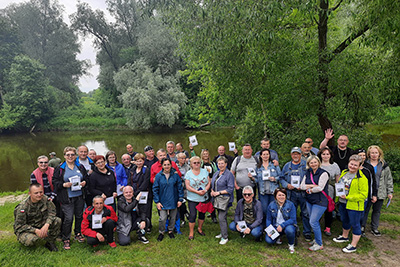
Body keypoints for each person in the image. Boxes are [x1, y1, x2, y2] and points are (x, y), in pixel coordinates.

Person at [52, 147, 88, 250]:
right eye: (68, 155)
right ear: (64, 156)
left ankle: (77, 233)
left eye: (72, 154)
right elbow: (54, 182)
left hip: (79, 196)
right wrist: (63, 184)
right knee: (68, 218)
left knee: (79, 216)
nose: (70, 156)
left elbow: (85, 178)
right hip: (67, 198)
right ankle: (66, 238)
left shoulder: (80, 166)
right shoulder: (60, 168)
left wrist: (84, 182)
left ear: (75, 156)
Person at [333, 155, 368, 253]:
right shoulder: (344, 172)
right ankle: (345, 236)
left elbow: (363, 195)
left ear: (360, 166)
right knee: (345, 220)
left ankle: (353, 245)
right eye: (351, 164)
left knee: (355, 223)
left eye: (355, 165)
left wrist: (348, 197)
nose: (352, 166)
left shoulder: (362, 178)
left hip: (354, 205)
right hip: (342, 202)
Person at [14, 184, 61, 251]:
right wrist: (35, 231)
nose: (39, 195)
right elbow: (19, 226)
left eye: (41, 192)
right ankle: (26, 238)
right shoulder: (23, 207)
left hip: (41, 223)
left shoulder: (45, 199)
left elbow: (52, 212)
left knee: (57, 221)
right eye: (36, 193)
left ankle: (50, 242)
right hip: (27, 228)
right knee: (31, 240)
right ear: (30, 193)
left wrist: (46, 224)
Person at [280, 147, 312, 241]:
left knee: (305, 213)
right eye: (293, 153)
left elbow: (310, 177)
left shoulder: (306, 165)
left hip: (303, 193)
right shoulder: (286, 166)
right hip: (291, 193)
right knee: (289, 213)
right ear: (291, 155)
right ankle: (292, 231)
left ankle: (307, 232)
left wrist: (304, 185)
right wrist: (286, 185)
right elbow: (281, 178)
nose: (295, 155)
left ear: (300, 154)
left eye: (297, 154)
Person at [300, 155, 329, 251]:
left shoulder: (324, 173)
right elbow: (302, 186)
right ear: (308, 164)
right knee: (312, 220)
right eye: (311, 162)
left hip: (320, 201)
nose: (313, 164)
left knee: (313, 221)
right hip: (310, 200)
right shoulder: (308, 173)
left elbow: (320, 188)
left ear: (318, 162)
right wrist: (312, 186)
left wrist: (310, 190)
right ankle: (316, 240)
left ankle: (319, 243)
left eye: (315, 162)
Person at [363, 145, 394, 237]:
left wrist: (390, 192)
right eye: (372, 153)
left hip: (380, 191)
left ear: (379, 153)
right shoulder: (365, 164)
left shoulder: (384, 165)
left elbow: (389, 179)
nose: (374, 155)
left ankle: (374, 228)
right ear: (369, 154)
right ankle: (362, 227)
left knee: (376, 211)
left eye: (376, 153)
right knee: (365, 210)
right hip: (368, 192)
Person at [153, 158, 184, 241]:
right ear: (162, 165)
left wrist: (180, 199)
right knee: (162, 218)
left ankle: (170, 231)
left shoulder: (175, 175)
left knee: (173, 217)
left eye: (168, 164)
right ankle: (161, 232)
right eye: (165, 164)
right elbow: (155, 189)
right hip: (162, 200)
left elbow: (180, 188)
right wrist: (157, 201)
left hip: (174, 199)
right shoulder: (159, 176)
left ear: (171, 165)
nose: (167, 166)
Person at [184, 156, 210, 240]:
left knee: (202, 214)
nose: (196, 164)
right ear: (191, 164)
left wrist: (205, 190)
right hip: (192, 198)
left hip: (203, 197)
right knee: (193, 215)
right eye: (194, 163)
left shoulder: (205, 171)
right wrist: (197, 192)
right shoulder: (188, 173)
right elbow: (187, 186)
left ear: (200, 163)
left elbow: (209, 182)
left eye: (198, 162)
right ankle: (191, 232)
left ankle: (200, 228)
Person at [211, 156, 235, 245]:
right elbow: (213, 183)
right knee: (220, 216)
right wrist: (212, 191)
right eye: (219, 163)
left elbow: (230, 189)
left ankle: (225, 237)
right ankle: (222, 232)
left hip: (225, 199)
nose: (220, 165)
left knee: (222, 217)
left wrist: (218, 193)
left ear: (226, 164)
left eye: (222, 163)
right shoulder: (216, 173)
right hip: (217, 199)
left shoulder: (229, 174)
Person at [354, 148, 377, 237]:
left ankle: (362, 227)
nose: (362, 157)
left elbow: (373, 182)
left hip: (366, 195)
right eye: (360, 155)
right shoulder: (351, 166)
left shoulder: (369, 167)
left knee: (364, 212)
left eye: (364, 155)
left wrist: (374, 194)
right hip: (353, 194)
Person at [265, 188, 297, 254]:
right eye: (279, 195)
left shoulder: (291, 204)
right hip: (275, 226)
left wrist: (282, 225)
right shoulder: (271, 205)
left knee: (290, 230)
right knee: (269, 240)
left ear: (286, 196)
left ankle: (291, 244)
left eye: (283, 195)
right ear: (275, 196)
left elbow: (293, 219)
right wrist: (269, 230)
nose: (281, 197)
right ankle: (279, 236)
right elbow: (268, 219)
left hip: (287, 225)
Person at [318, 147, 341, 236]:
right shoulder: (317, 164)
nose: (325, 156)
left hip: (330, 190)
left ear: (331, 155)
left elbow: (337, 180)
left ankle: (327, 227)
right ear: (320, 155)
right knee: (318, 208)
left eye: (327, 154)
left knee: (329, 209)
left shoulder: (334, 165)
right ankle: (316, 226)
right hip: (319, 190)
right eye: (323, 154)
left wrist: (340, 192)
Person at [255, 148, 281, 222]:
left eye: (267, 154)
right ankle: (266, 226)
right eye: (264, 154)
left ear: (269, 155)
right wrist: (252, 178)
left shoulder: (274, 165)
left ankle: (275, 225)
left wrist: (274, 178)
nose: (265, 156)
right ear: (261, 156)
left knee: (273, 210)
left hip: (273, 192)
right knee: (264, 210)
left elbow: (281, 176)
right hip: (263, 192)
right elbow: (256, 180)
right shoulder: (258, 167)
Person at [200, 149, 218, 223]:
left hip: (211, 184)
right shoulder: (200, 163)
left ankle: (213, 216)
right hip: (203, 184)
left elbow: (216, 172)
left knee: (212, 200)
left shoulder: (212, 164)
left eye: (206, 154)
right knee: (204, 200)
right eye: (204, 154)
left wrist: (212, 179)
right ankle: (202, 216)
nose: (205, 155)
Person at [176, 152, 190, 225]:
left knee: (185, 202)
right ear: (178, 159)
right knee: (181, 203)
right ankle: (183, 217)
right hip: (179, 188)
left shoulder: (187, 167)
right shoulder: (175, 166)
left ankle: (186, 213)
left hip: (186, 187)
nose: (183, 159)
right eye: (181, 158)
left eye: (184, 158)